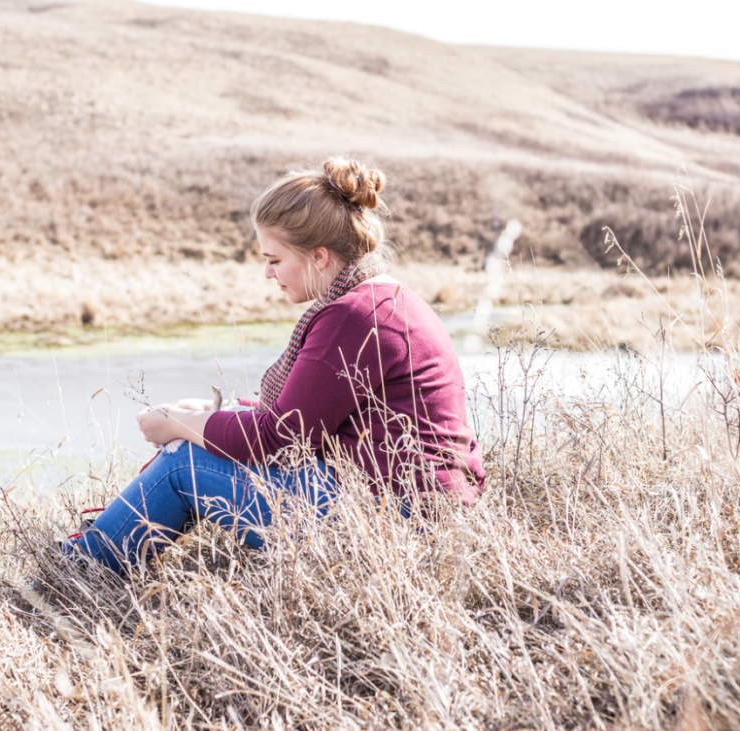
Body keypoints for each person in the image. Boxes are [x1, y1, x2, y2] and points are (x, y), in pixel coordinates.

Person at [70, 157, 484, 572]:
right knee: (195, 446)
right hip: (422, 509)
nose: (268, 274)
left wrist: (176, 424)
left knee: (183, 463)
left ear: (319, 257)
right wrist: (216, 416)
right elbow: (307, 422)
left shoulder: (354, 317)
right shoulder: (384, 298)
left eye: (274, 259)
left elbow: (280, 440)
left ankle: (81, 567)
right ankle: (98, 551)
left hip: (395, 521)